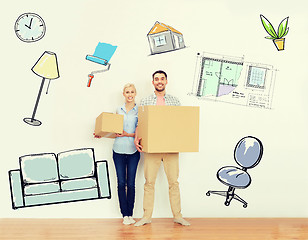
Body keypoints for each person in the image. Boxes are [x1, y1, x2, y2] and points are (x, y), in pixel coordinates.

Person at [134, 70, 190, 227]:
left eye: (162, 79)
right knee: (149, 182)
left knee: (174, 182)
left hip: (171, 147)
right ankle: (146, 216)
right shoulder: (145, 101)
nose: (159, 81)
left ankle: (178, 215)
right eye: (156, 79)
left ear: (166, 81)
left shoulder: (175, 101)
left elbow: (181, 123)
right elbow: (140, 123)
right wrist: (136, 139)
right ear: (153, 82)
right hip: (152, 147)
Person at [94, 83, 140, 225]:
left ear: (135, 93)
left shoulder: (140, 111)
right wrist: (102, 134)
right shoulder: (118, 110)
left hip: (133, 151)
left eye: (132, 92)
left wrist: (129, 134)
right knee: (121, 183)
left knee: (131, 184)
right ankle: (124, 215)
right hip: (118, 150)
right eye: (127, 92)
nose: (130, 94)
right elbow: (114, 131)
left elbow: (141, 131)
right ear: (123, 94)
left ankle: (130, 214)